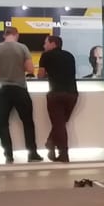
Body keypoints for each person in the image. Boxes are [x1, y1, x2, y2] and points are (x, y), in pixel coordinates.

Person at [0, 27, 42, 164]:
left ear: (4, 35)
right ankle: (32, 153)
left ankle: (8, 155)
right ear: (16, 35)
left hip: (3, 90)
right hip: (20, 89)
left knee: (3, 123)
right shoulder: (22, 48)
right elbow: (30, 69)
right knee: (28, 122)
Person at [37, 33, 79, 163]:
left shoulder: (46, 56)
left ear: (53, 43)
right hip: (72, 94)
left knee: (58, 124)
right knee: (60, 123)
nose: (44, 46)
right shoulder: (70, 55)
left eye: (46, 43)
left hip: (55, 93)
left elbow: (40, 75)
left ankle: (63, 153)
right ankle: (51, 143)